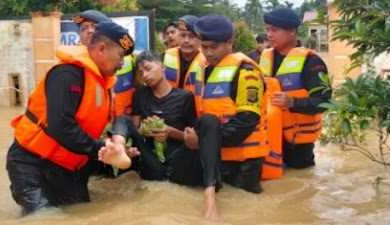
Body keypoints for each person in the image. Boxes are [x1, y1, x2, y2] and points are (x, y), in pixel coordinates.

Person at [6, 21, 134, 215]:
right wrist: (101, 149)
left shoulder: (103, 84)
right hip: (31, 164)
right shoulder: (67, 74)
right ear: (101, 49)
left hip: (68, 169)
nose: (122, 63)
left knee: (83, 212)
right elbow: (61, 127)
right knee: (46, 217)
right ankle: (23, 190)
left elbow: (92, 127)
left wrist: (113, 147)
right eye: (120, 56)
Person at [98, 51, 222, 219]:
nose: (145, 75)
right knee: (122, 119)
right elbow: (135, 129)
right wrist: (146, 129)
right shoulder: (140, 95)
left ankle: (210, 194)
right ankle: (119, 149)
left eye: (148, 69)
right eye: (141, 73)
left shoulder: (184, 97)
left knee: (209, 120)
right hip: (152, 162)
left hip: (179, 162)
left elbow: (190, 137)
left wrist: (170, 131)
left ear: (162, 67)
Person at [187, 14, 268, 219]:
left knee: (246, 213)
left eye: (214, 47)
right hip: (218, 158)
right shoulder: (202, 69)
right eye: (204, 47)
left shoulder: (246, 73)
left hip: (244, 163)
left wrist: (205, 142)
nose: (208, 52)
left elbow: (246, 121)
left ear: (230, 42)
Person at [259, 8, 331, 169]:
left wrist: (293, 102)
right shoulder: (263, 58)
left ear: (292, 31)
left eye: (274, 30)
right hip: (268, 137)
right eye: (268, 30)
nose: (269, 34)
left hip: (297, 146)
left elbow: (325, 102)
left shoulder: (312, 62)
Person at [162, 15, 205, 93]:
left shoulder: (207, 63)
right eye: (183, 35)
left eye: (191, 36)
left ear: (200, 38)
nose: (186, 40)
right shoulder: (164, 57)